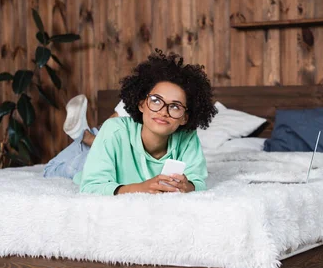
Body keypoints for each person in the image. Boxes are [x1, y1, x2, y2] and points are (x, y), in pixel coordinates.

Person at [44, 49, 217, 196]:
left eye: (175, 106)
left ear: (185, 117)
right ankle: (83, 136)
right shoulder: (114, 130)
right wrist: (142, 188)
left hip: (111, 148)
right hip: (87, 166)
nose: (164, 112)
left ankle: (87, 137)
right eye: (156, 100)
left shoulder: (187, 138)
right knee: (51, 170)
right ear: (141, 104)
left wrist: (188, 186)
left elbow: (198, 181)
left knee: (103, 146)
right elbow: (91, 186)